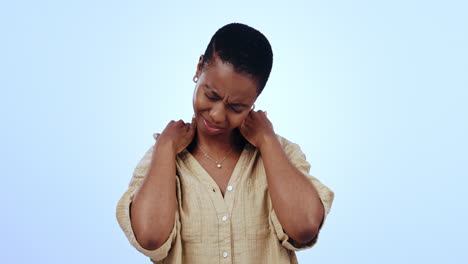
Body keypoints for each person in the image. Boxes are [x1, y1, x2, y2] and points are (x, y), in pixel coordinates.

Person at [116, 22, 335, 264]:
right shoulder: (162, 158)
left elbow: (303, 227)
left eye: (236, 107)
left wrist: (268, 141)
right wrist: (165, 151)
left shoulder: (283, 154)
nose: (218, 115)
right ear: (199, 67)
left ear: (255, 99)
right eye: (211, 95)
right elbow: (150, 238)